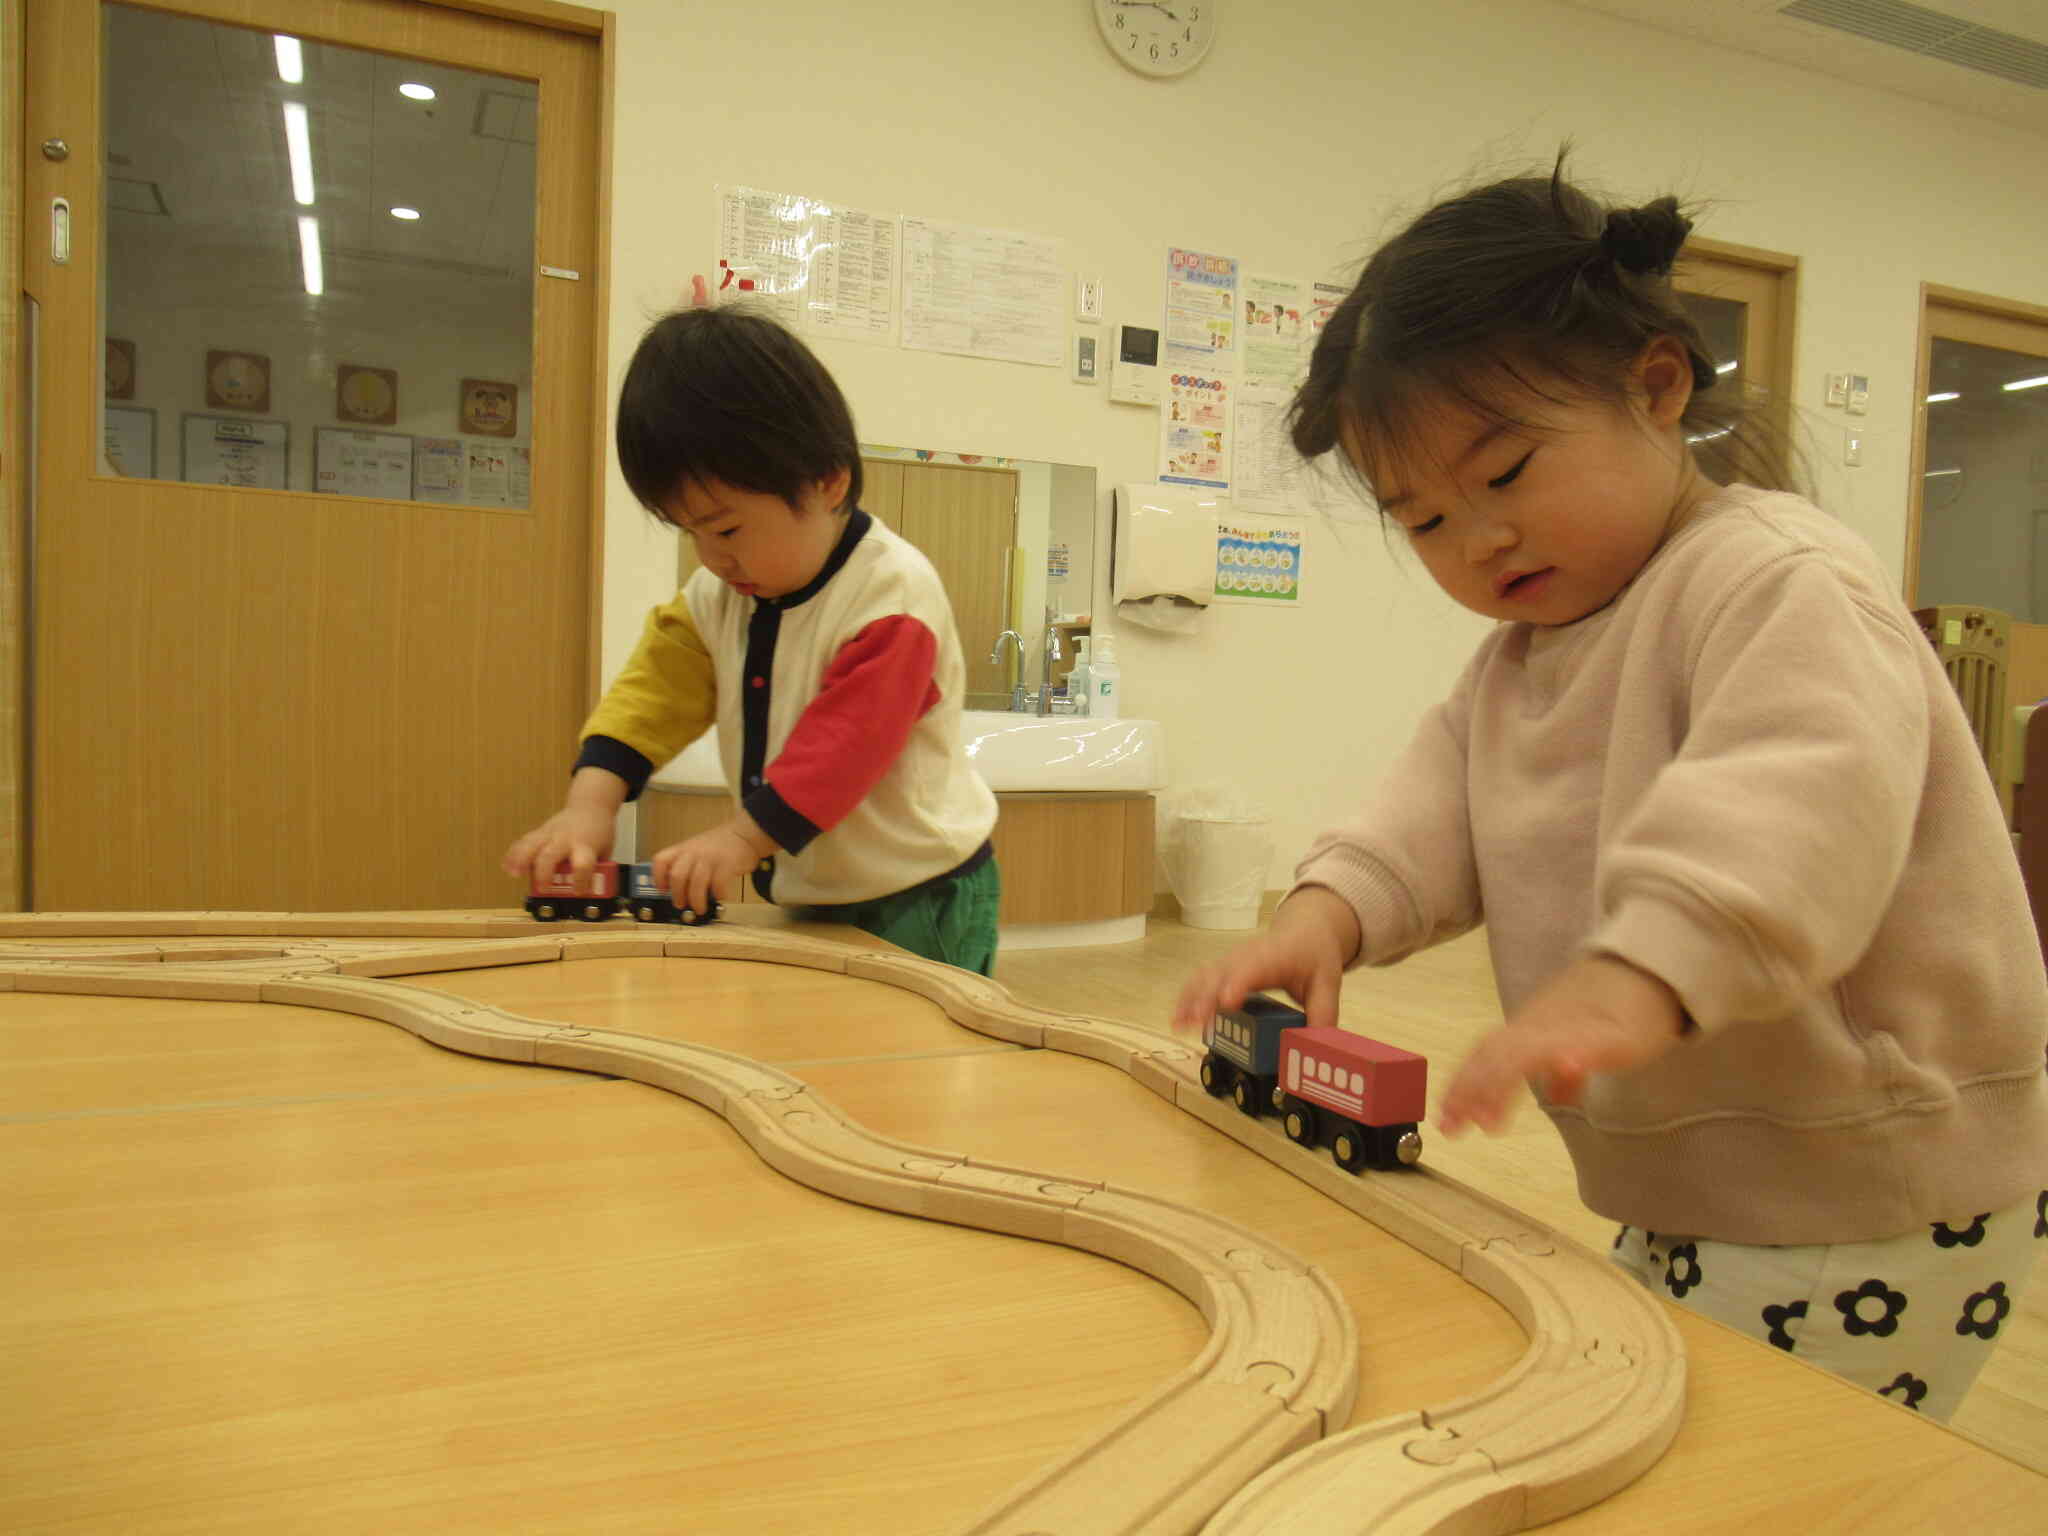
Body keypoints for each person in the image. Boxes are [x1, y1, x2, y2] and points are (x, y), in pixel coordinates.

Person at [1174, 154, 2048, 1420]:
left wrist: (1645, 967)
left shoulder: (1775, 578)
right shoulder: (1522, 655)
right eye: (1420, 521)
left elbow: (1794, 802)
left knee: (1772, 1480)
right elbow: (1433, 809)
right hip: (1694, 1179)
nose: (1476, 541)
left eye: (1506, 475)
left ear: (1653, 389)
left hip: (1865, 1178)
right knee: (1665, 1425)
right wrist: (1323, 915)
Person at [503, 306, 1000, 973]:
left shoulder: (892, 595)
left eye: (728, 530)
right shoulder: (719, 595)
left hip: (917, 893)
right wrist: (589, 806)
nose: (712, 558)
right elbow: (654, 690)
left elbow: (847, 744)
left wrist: (741, 838)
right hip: (813, 888)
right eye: (692, 534)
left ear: (828, 482)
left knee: (918, 1057)